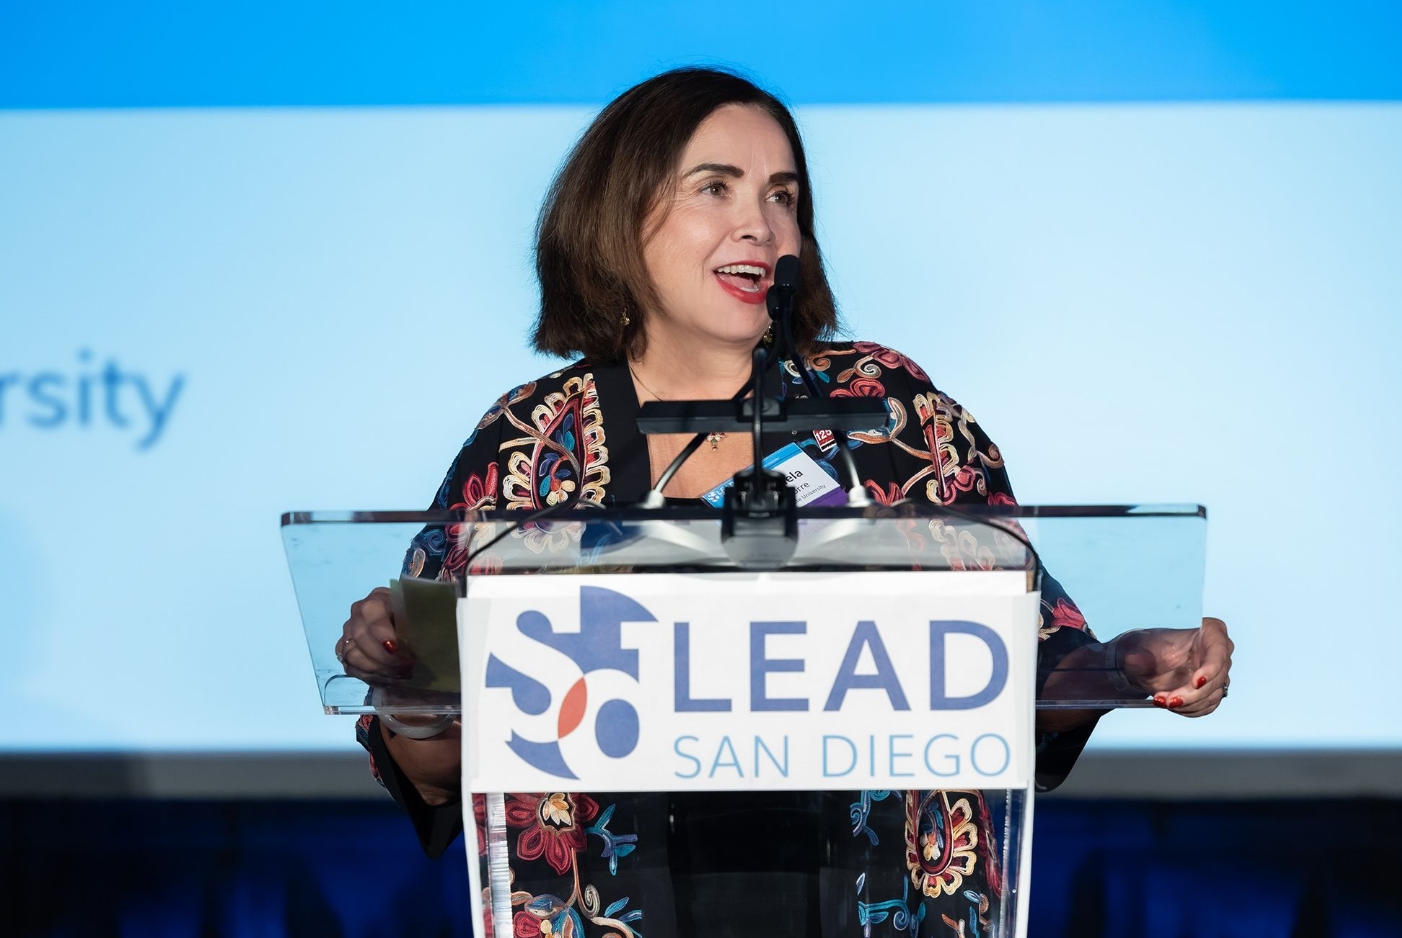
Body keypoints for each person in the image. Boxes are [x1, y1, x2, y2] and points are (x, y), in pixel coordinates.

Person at [336, 67, 1234, 938]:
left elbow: (1024, 674)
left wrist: (1123, 667)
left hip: (880, 903)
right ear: (617, 217)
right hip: (614, 903)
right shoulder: (533, 446)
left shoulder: (890, 414)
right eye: (715, 189)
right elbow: (437, 757)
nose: (759, 226)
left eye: (782, 197)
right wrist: (408, 686)